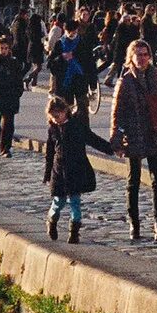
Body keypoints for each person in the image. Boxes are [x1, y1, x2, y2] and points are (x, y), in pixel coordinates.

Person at [108, 39, 157, 241]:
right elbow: (117, 113)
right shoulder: (125, 81)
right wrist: (116, 139)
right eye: (137, 54)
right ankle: (135, 224)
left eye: (144, 54)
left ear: (150, 57)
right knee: (133, 182)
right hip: (134, 135)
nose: (141, 58)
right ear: (130, 57)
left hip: (155, 134)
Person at [43, 94, 110, 244]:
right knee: (58, 201)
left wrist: (110, 149)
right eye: (52, 117)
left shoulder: (76, 125)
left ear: (65, 111)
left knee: (75, 201)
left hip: (76, 168)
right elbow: (49, 153)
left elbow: (93, 139)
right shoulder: (52, 129)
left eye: (57, 115)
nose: (55, 119)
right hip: (58, 170)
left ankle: (74, 232)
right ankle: (52, 220)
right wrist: (47, 174)